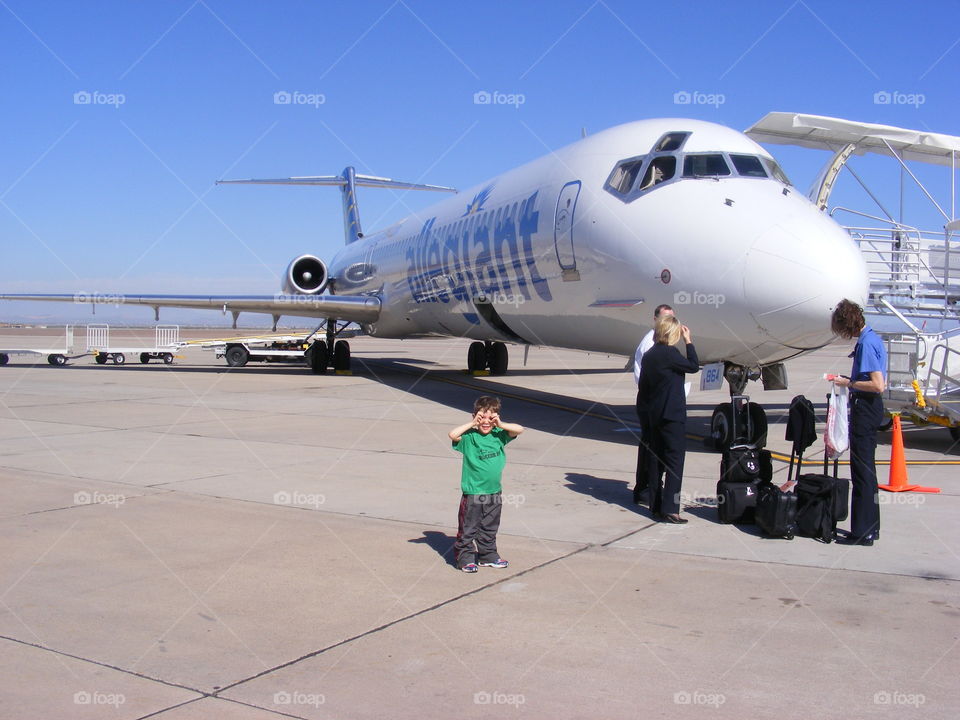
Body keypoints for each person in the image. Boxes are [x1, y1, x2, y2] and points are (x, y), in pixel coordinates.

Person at [828, 299, 886, 546]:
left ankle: (862, 530)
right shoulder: (872, 338)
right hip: (869, 409)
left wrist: (848, 383)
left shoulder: (865, 344)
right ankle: (871, 526)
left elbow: (877, 385)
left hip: (866, 408)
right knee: (867, 471)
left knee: (861, 472)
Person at [448, 396, 524, 572]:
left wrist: (500, 423)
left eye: (491, 418)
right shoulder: (469, 438)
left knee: (490, 526)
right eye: (482, 417)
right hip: (474, 491)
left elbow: (519, 429)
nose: (486, 422)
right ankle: (464, 557)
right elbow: (453, 434)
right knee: (469, 526)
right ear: (475, 416)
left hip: (494, 491)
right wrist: (473, 422)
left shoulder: (499, 435)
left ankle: (487, 555)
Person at [637, 316, 699, 523]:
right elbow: (693, 366)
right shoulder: (671, 354)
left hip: (654, 415)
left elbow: (643, 389)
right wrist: (688, 342)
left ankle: (655, 506)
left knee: (655, 461)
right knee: (674, 462)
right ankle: (671, 509)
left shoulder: (650, 355)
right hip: (672, 415)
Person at [632, 304, 674, 504]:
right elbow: (643, 377)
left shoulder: (664, 343)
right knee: (651, 446)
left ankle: (649, 487)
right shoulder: (650, 343)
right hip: (651, 401)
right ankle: (645, 489)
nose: (669, 323)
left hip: (658, 400)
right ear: (655, 320)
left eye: (671, 319)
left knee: (655, 446)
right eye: (665, 319)